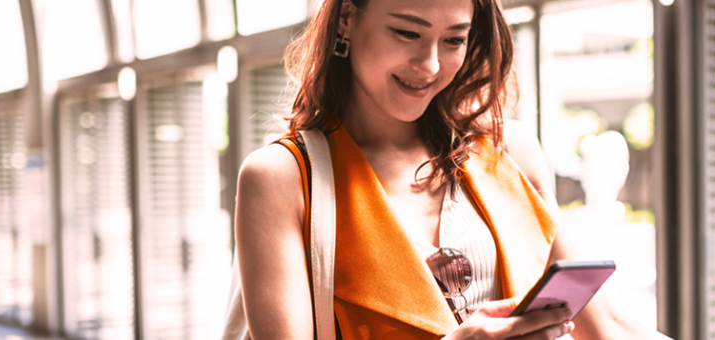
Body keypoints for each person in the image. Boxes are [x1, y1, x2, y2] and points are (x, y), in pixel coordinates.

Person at [234, 0, 671, 339]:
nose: (429, 65)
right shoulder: (282, 179)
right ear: (347, 18)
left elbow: (603, 325)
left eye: (453, 40)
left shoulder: (508, 152)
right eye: (406, 32)